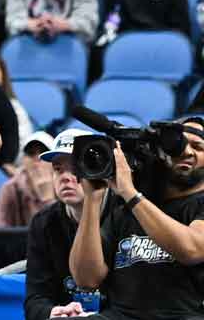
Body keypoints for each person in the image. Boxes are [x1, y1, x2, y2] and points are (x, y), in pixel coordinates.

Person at [69, 117, 204, 317]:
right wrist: (92, 199)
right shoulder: (128, 208)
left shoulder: (134, 200)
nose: (186, 151)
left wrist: (131, 194)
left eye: (198, 146)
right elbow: (86, 280)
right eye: (177, 145)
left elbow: (191, 249)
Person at [25, 130, 102, 319]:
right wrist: (51, 312)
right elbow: (35, 299)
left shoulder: (122, 215)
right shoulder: (43, 222)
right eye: (58, 169)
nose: (66, 177)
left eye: (76, 168)